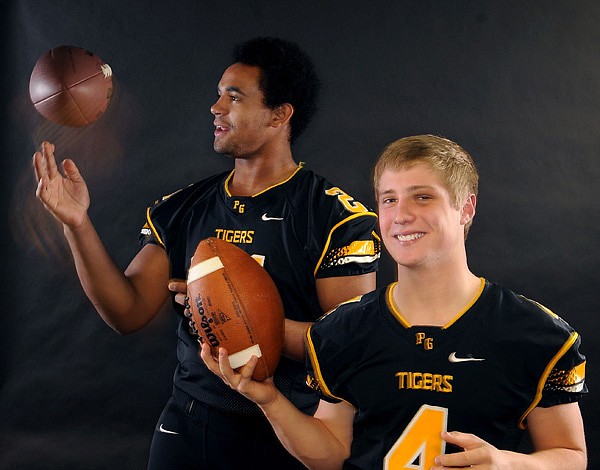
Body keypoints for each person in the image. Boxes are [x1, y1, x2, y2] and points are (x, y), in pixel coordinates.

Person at [32, 37, 380, 469]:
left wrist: (232, 315)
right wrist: (77, 224)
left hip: (284, 430)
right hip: (189, 425)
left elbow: (349, 347)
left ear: (279, 114)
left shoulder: (336, 218)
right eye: (218, 95)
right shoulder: (181, 208)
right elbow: (127, 312)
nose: (216, 108)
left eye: (233, 97)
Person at [202, 134, 588, 469]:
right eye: (389, 199)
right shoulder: (342, 329)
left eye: (422, 197)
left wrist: (509, 464)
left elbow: (570, 455)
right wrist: (270, 400)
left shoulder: (535, 333)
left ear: (466, 208)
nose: (401, 215)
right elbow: (333, 454)